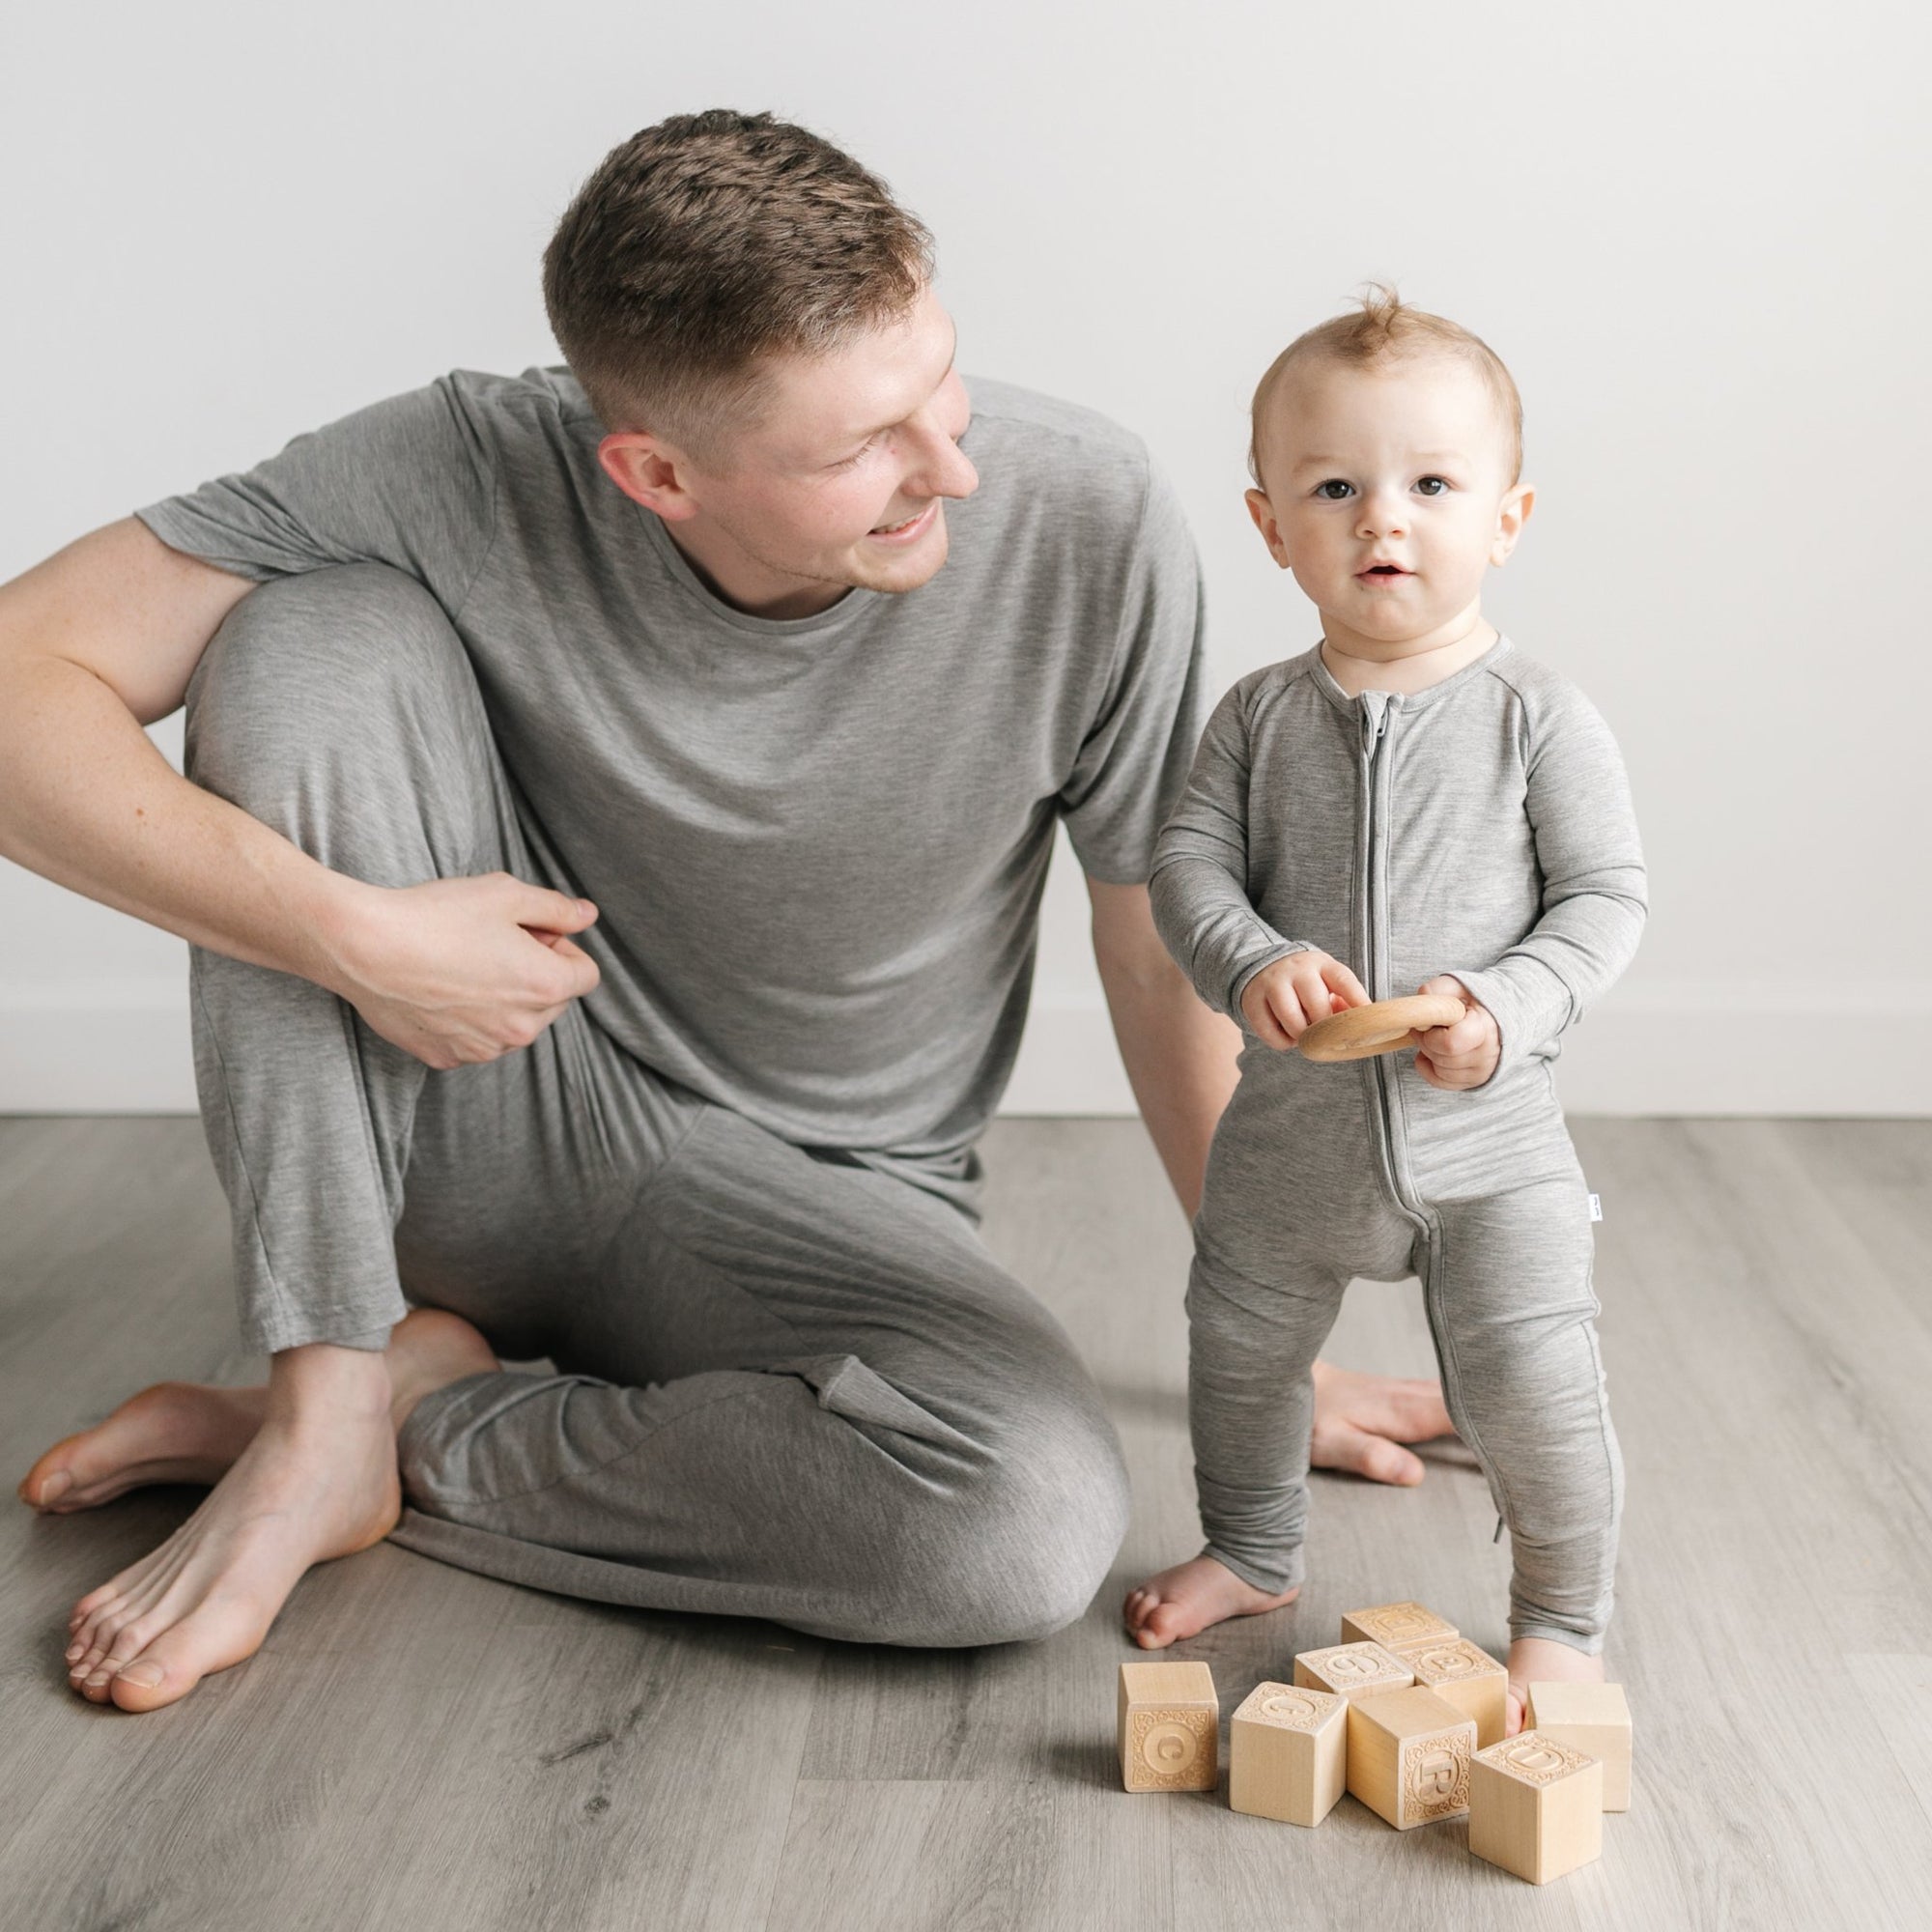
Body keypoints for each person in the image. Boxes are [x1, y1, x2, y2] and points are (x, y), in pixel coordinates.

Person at [3, 112, 1451, 1716]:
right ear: (655, 473)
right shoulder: (454, 466)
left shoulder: (1087, 522)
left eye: (940, 382)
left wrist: (1268, 1346)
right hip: (479, 1101)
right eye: (861, 450)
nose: (950, 467)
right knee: (304, 640)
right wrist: (357, 937)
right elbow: (17, 682)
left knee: (1019, 1523)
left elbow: (1150, 941)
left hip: (817, 1209)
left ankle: (392, 1432)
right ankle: (327, 1385)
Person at [1122, 290, 1646, 1732]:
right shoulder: (1256, 718)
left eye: (1429, 485)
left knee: (1538, 1388)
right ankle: (1250, 1547)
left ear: (1509, 515)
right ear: (1270, 523)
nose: (1381, 522)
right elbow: (1185, 867)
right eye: (1335, 489)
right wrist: (1249, 961)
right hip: (1290, 1143)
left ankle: (1559, 1618)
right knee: (1237, 1354)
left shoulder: (1540, 716)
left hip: (1492, 1148)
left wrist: (1505, 1004)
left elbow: (1604, 902)